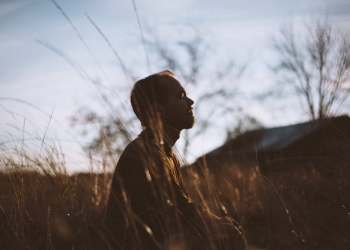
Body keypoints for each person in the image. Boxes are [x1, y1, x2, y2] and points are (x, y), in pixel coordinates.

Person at [104, 70, 247, 250]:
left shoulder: (165, 151)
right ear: (157, 110)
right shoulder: (146, 152)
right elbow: (180, 212)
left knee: (225, 229)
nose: (190, 102)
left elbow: (181, 207)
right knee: (229, 234)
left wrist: (218, 221)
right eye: (181, 96)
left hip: (157, 241)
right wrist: (219, 223)